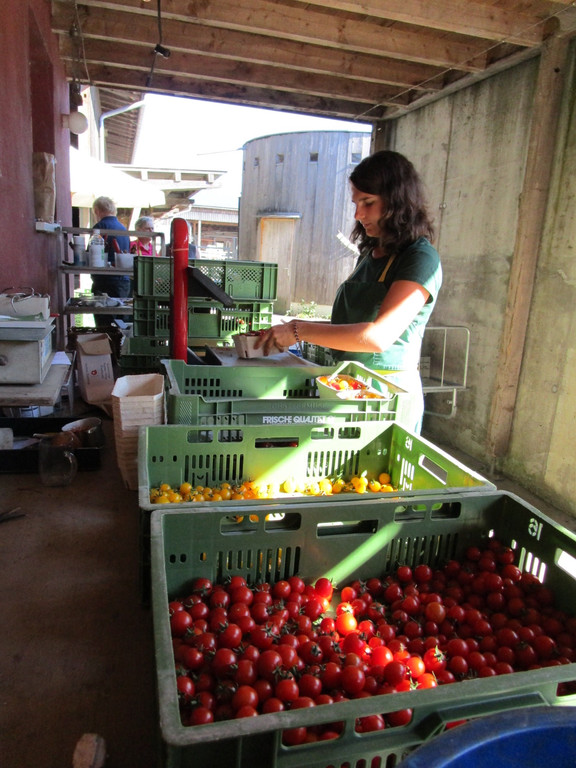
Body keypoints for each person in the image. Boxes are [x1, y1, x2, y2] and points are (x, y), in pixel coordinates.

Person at [256, 150, 442, 433]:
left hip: (386, 396)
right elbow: (346, 328)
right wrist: (287, 331)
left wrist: (298, 330)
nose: (358, 214)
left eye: (368, 202)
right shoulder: (371, 255)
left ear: (397, 201)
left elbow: (378, 337)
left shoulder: (420, 259)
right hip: (347, 388)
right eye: (356, 203)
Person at [90, 195, 131, 326]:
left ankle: (105, 346)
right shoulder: (123, 228)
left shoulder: (99, 227)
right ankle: (120, 346)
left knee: (105, 324)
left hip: (104, 282)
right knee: (121, 324)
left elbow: (91, 255)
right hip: (123, 282)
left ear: (97, 210)